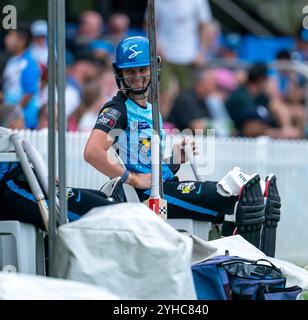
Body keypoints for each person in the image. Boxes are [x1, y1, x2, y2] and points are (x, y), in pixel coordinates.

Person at [83, 36, 271, 239]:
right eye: (130, 71)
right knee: (233, 196)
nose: (137, 76)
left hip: (162, 188)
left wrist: (173, 159)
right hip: (146, 198)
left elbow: (147, 163)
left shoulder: (152, 110)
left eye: (142, 69)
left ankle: (231, 260)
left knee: (246, 199)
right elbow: (93, 152)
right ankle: (240, 264)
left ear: (154, 68)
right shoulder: (117, 109)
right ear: (119, 73)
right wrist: (134, 179)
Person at [0, 41, 116, 231]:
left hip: (17, 179)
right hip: (1, 191)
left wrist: (39, 173)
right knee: (96, 216)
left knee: (103, 200)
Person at [145, 0, 213, 117]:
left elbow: (206, 26)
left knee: (186, 98)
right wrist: (156, 46)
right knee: (163, 95)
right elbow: (149, 23)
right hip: (165, 57)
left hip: (189, 57)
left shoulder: (198, 2)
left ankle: (183, 128)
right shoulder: (157, 1)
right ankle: (161, 128)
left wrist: (202, 52)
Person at [225, 63, 301, 139]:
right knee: (253, 126)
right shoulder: (239, 96)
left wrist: (286, 127)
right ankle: (282, 134)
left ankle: (286, 131)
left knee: (290, 110)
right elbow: (246, 122)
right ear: (261, 79)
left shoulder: (261, 95)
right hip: (238, 130)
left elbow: (276, 106)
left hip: (262, 125)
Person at [2, 26, 41, 130]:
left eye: (10, 36)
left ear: (21, 40)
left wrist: (12, 115)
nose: (6, 40)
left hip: (24, 123)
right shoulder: (12, 61)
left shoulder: (28, 63)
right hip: (12, 120)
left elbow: (30, 92)